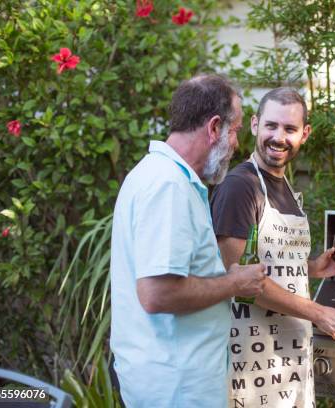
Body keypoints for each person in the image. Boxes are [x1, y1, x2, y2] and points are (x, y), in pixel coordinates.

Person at [110, 74, 266, 408]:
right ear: (214, 128)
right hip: (175, 387)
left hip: (175, 380)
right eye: (236, 130)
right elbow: (157, 293)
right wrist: (234, 282)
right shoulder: (167, 186)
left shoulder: (165, 177)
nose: (237, 145)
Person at [210, 87, 335, 408]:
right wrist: (320, 312)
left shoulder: (284, 186)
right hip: (251, 360)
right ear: (254, 125)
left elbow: (269, 263)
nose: (278, 137)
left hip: (289, 354)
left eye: (289, 129)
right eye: (271, 126)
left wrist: (311, 267)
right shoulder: (241, 186)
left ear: (304, 134)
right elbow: (231, 277)